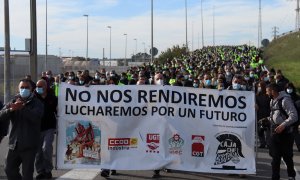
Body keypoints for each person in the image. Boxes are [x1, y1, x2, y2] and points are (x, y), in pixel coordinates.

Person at [0, 79, 44, 180]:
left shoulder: (37, 103)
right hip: (14, 144)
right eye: (22, 88)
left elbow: (36, 118)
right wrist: (11, 110)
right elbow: (1, 115)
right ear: (18, 89)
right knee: (9, 169)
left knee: (27, 174)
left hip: (29, 145)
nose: (24, 89)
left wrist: (23, 108)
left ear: (32, 89)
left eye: (26, 87)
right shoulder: (13, 101)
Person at [266, 83, 297, 180]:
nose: (266, 93)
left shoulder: (285, 100)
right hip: (275, 133)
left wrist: (283, 125)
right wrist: (267, 119)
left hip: (285, 134)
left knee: (287, 157)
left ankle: (291, 176)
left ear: (273, 91)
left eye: (267, 91)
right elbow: (276, 115)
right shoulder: (272, 100)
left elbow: (294, 116)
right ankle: (275, 177)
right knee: (275, 157)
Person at [34, 79, 58, 179]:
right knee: (38, 152)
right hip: (37, 128)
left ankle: (48, 170)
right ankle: (40, 171)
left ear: (45, 87)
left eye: (41, 86)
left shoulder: (52, 97)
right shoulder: (33, 98)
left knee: (46, 148)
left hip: (49, 127)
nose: (38, 88)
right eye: (37, 86)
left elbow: (58, 110)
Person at [256, 81, 271, 148]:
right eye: (258, 86)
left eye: (260, 86)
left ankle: (268, 143)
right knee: (259, 130)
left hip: (267, 114)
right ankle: (262, 143)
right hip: (259, 114)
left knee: (268, 130)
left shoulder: (268, 95)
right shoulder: (256, 96)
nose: (259, 88)